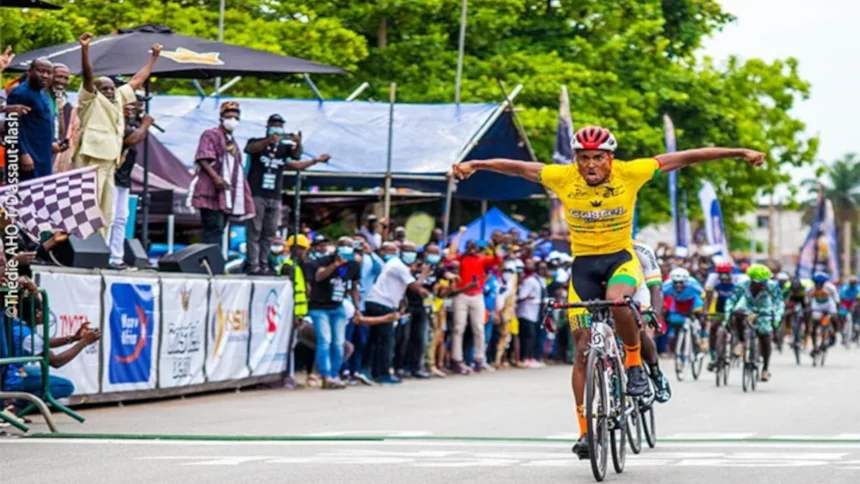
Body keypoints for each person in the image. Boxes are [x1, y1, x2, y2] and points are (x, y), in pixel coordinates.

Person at [452, 125, 765, 457]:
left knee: (618, 302)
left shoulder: (631, 172)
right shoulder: (562, 176)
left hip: (620, 261)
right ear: (575, 159)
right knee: (582, 350)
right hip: (583, 267)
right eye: (584, 158)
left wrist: (738, 152)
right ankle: (585, 433)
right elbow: (518, 168)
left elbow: (686, 157)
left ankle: (634, 366)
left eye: (598, 158)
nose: (590, 165)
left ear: (610, 158)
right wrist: (477, 164)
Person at [75, 33, 160, 236]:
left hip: (110, 162)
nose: (110, 91)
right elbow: (88, 76)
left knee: (107, 211)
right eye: (104, 89)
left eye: (112, 88)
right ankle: (82, 243)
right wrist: (85, 49)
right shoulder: (90, 101)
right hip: (91, 160)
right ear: (96, 90)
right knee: (87, 206)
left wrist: (154, 58)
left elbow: (137, 80)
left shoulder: (119, 99)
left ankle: (101, 247)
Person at [244, 114, 330, 275]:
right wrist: (268, 141)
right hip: (256, 193)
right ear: (268, 126)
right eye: (274, 125)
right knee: (254, 230)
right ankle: (253, 264)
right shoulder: (256, 143)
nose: (277, 128)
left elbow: (296, 161)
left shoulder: (283, 150)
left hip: (275, 195)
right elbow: (250, 149)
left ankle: (264, 264)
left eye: (280, 125)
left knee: (270, 232)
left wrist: (302, 147)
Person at [189, 101, 255, 247]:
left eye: (236, 117)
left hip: (225, 195)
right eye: (229, 116)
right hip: (210, 191)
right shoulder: (211, 134)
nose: (233, 120)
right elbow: (202, 158)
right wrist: (216, 178)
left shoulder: (231, 140)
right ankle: (209, 259)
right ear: (221, 118)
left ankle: (213, 258)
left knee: (219, 230)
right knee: (213, 230)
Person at [363, 242, 431, 384]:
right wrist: (423, 275)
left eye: (413, 251)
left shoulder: (397, 264)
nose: (411, 254)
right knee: (386, 341)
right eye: (408, 250)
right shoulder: (398, 266)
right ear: (400, 251)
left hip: (378, 302)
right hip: (382, 304)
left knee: (375, 339)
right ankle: (383, 374)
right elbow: (415, 286)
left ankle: (369, 371)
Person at [305, 236, 361, 389]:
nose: (346, 248)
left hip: (338, 306)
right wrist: (335, 265)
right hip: (319, 307)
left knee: (339, 343)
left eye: (349, 246)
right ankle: (325, 375)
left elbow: (354, 287)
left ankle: (334, 375)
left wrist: (357, 308)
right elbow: (318, 276)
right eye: (343, 245)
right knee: (325, 340)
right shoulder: (324, 261)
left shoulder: (353, 265)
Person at [106, 95, 154, 268]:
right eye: (134, 105)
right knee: (110, 217)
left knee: (121, 218)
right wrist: (145, 125)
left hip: (124, 178)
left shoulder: (131, 124)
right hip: (110, 176)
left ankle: (116, 257)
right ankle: (104, 255)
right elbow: (132, 139)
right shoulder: (116, 123)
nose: (137, 109)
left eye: (140, 106)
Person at [446, 237, 501, 374]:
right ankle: (457, 359)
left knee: (479, 327)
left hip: (477, 295)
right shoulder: (460, 258)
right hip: (461, 295)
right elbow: (449, 256)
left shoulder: (482, 259)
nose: (472, 249)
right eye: (469, 246)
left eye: (474, 246)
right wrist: (460, 235)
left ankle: (479, 358)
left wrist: (493, 248)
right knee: (458, 328)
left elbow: (498, 261)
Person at [723, 264, 784, 382]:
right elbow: (732, 300)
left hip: (764, 309)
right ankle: (741, 342)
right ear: (751, 280)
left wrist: (776, 318)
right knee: (738, 314)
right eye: (758, 283)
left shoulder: (772, 286)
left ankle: (765, 368)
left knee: (765, 335)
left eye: (764, 283)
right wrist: (727, 316)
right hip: (747, 306)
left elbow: (778, 303)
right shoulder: (742, 285)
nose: (761, 286)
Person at [631, 241, 671, 402]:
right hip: (607, 291)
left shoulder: (641, 250)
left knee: (636, 328)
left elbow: (655, 288)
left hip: (638, 292)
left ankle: (655, 372)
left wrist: (656, 315)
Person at [6, 57, 57, 180]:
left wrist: (53, 142)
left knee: (43, 189)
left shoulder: (43, 93)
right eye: (41, 71)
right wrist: (23, 153)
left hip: (43, 155)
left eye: (49, 73)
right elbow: (12, 125)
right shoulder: (19, 93)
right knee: (24, 190)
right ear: (29, 71)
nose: (45, 76)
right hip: (28, 157)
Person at [342, 233, 383, 385]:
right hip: (347, 305)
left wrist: (371, 253)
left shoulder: (369, 259)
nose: (358, 246)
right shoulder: (347, 258)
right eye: (355, 243)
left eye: (361, 243)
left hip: (364, 305)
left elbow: (381, 269)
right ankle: (344, 370)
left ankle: (356, 370)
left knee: (361, 340)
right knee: (347, 338)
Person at [704, 261, 743, 370]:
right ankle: (713, 354)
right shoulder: (713, 278)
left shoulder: (739, 279)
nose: (724, 278)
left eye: (726, 275)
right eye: (721, 275)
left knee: (736, 323)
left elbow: (742, 297)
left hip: (735, 303)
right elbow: (708, 296)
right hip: (721, 303)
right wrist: (706, 310)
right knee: (713, 326)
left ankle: (738, 344)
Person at [516, 259, 545, 368]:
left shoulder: (538, 280)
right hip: (526, 312)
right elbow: (522, 296)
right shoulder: (529, 281)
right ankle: (524, 358)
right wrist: (528, 298)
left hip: (534, 313)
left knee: (532, 336)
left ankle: (530, 358)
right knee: (527, 337)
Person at [807, 272, 840, 357]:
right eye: (816, 283)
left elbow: (836, 299)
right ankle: (815, 347)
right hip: (817, 305)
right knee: (814, 325)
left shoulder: (831, 288)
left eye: (821, 284)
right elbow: (808, 301)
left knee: (834, 318)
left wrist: (836, 310)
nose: (818, 285)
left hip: (829, 305)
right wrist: (808, 309)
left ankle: (833, 334)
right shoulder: (810, 289)